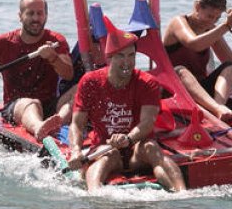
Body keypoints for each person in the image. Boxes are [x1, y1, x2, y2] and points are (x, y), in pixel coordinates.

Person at [66, 27, 186, 192]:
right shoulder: (90, 81)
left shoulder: (148, 82)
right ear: (109, 58)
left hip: (138, 147)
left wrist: (128, 138)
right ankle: (94, 196)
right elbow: (77, 124)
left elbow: (148, 122)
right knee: (109, 155)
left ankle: (181, 193)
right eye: (121, 56)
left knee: (152, 148)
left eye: (131, 56)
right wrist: (76, 151)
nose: (127, 62)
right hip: (105, 148)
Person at [0, 0, 73, 140]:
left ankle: (58, 122)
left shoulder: (56, 40)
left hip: (51, 106)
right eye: (30, 13)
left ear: (46, 15)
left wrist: (53, 57)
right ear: (20, 16)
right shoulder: (4, 42)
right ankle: (39, 127)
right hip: (17, 107)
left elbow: (68, 74)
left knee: (79, 89)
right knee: (31, 103)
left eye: (40, 13)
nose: (36, 18)